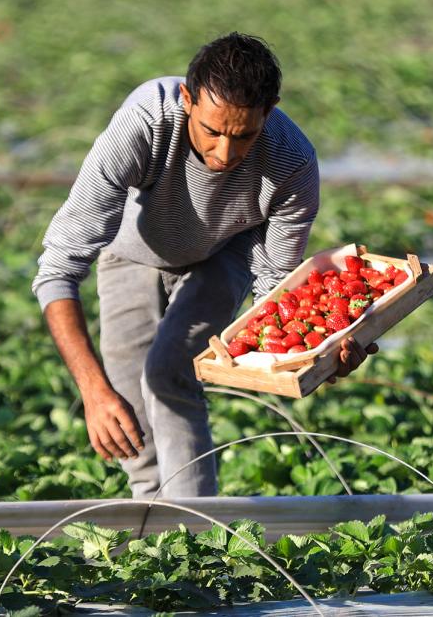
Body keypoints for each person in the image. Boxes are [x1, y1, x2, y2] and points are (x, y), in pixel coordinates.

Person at [32, 32, 376, 499]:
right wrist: (93, 390)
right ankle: (154, 526)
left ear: (269, 112)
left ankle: (195, 532)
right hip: (132, 248)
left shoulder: (292, 161)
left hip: (225, 254)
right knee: (126, 397)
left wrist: (322, 358)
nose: (225, 154)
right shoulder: (143, 123)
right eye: (212, 131)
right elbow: (58, 267)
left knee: (169, 372)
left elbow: (276, 294)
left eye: (244, 136)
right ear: (187, 99)